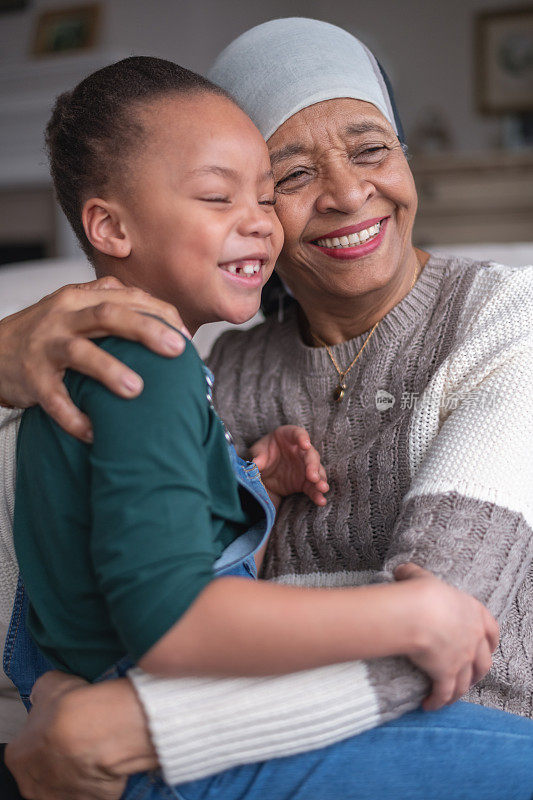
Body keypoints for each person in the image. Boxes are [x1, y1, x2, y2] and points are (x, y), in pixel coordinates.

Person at [1, 17, 533, 800]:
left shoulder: (505, 322)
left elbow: (445, 627)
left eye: (370, 148)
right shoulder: (205, 365)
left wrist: (124, 726)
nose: (349, 193)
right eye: (288, 176)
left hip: (427, 717)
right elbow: (98, 580)